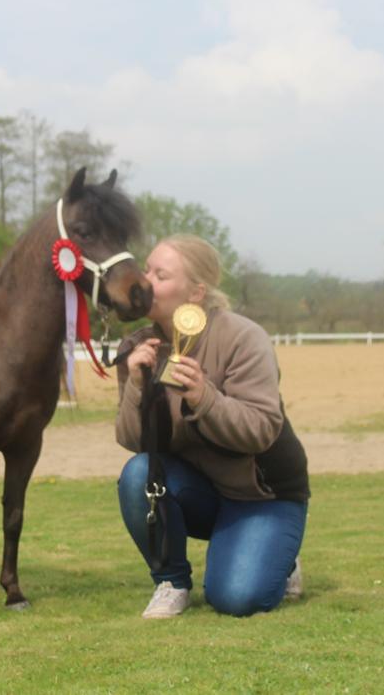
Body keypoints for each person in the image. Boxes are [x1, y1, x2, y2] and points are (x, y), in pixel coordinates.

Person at [114, 234, 309, 619]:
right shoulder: (137, 346)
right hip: (199, 490)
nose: (145, 280)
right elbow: (131, 440)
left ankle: (279, 558)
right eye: (146, 269)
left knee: (236, 598)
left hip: (262, 495)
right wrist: (137, 386)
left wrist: (205, 397)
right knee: (139, 474)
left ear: (196, 292)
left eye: (161, 275)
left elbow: (261, 429)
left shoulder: (242, 337)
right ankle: (171, 582)